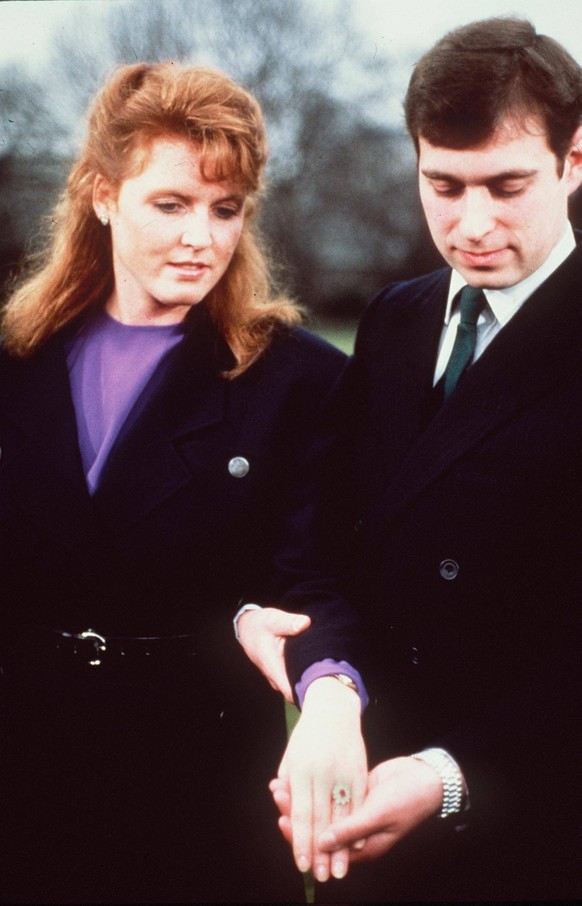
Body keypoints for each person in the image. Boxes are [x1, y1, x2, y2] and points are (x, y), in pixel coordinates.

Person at [0, 60, 367, 903]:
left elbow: (316, 583)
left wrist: (330, 692)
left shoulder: (297, 381)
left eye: (225, 209)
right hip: (24, 777)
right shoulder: (17, 364)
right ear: (101, 196)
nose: (201, 236)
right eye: (171, 204)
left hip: (199, 787)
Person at [267, 17, 582, 901]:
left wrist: (450, 775)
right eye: (442, 184)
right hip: (369, 806)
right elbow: (323, 544)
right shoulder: (395, 319)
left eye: (507, 185)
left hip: (541, 825)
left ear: (574, 161)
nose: (471, 223)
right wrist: (330, 687)